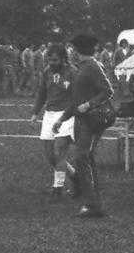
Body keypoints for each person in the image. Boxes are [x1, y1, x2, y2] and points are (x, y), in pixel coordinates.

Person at [66, 33, 113, 219]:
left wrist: (89, 105)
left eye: (73, 49)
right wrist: (64, 118)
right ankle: (92, 200)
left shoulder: (92, 66)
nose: (71, 52)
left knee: (81, 158)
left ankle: (92, 204)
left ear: (78, 50)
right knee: (85, 158)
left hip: (90, 120)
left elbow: (107, 90)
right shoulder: (82, 67)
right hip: (81, 120)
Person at [32, 43, 77, 199]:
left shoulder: (72, 72)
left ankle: (57, 189)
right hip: (49, 115)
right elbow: (42, 93)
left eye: (55, 60)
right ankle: (75, 177)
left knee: (59, 151)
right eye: (49, 60)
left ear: (63, 59)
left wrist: (68, 115)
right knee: (50, 155)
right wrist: (35, 112)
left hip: (66, 115)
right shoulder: (47, 72)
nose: (52, 63)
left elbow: (77, 97)